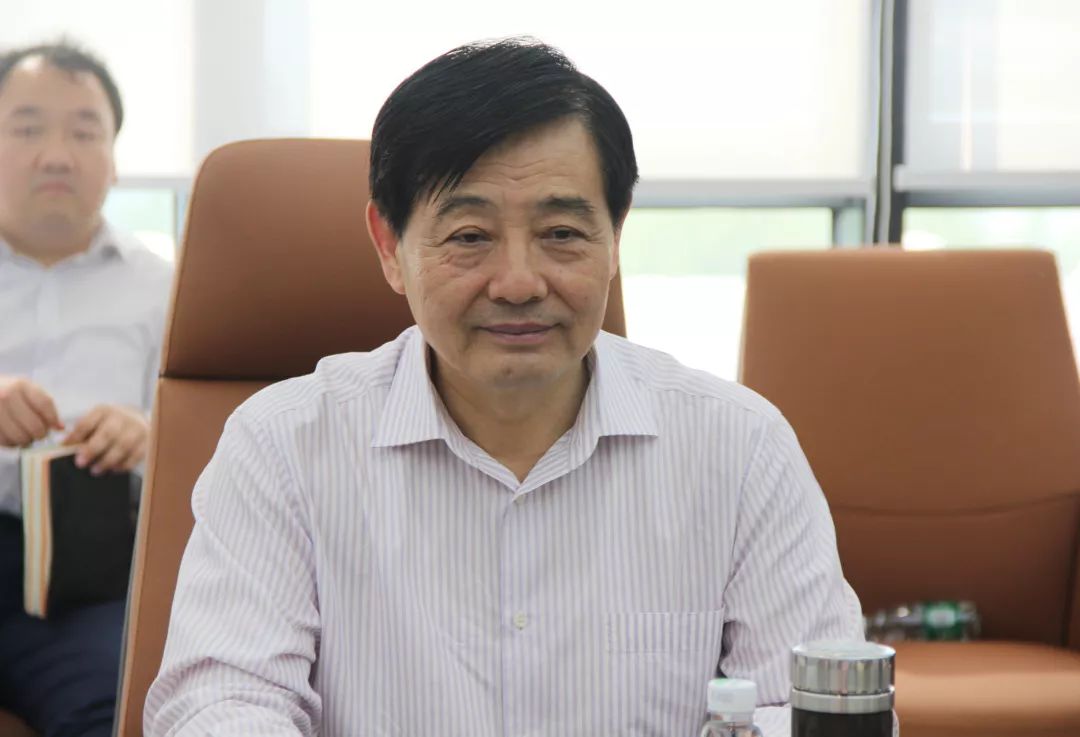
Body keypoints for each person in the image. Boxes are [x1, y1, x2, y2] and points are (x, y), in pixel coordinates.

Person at [146, 38, 862, 736]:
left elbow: (810, 710)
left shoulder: (739, 448)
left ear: (615, 236)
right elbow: (221, 700)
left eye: (561, 233)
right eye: (469, 236)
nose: (519, 282)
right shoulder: (282, 446)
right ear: (389, 246)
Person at [0, 40, 173, 735]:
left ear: (114, 156)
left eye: (83, 132)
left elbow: (217, 447)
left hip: (90, 564)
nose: (57, 156)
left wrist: (150, 437)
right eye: (27, 128)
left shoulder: (170, 288)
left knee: (112, 710)